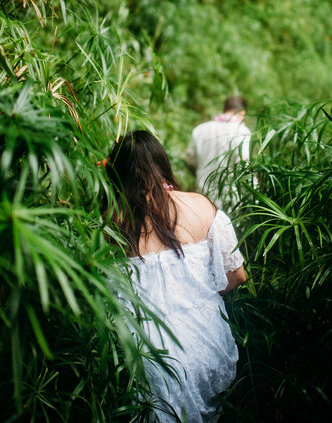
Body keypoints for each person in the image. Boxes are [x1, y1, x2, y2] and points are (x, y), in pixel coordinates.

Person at [103, 130, 247, 422]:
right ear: (162, 163)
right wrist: (196, 296)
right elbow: (237, 275)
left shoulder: (110, 223)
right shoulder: (200, 205)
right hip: (206, 343)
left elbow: (106, 297)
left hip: (145, 358)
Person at [186, 96, 251, 209]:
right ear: (242, 112)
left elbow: (190, 160)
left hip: (203, 195)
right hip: (230, 198)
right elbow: (244, 165)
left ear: (224, 109)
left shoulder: (200, 129)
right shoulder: (242, 131)